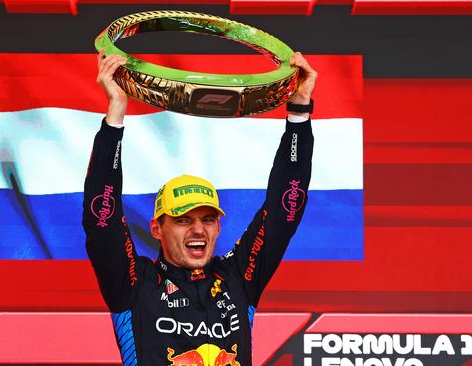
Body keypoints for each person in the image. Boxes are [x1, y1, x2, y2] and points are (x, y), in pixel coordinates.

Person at [83, 50, 317, 366]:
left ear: (218, 226)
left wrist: (300, 110)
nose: (198, 230)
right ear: (157, 229)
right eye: (183, 219)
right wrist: (115, 116)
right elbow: (102, 219)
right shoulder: (134, 284)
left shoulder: (238, 277)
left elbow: (284, 209)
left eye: (208, 219)